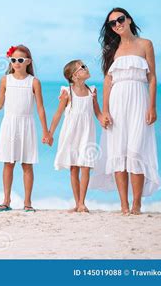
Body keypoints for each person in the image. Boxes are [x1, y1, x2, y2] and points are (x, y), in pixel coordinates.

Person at [89, 7, 161, 215]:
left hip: (139, 99)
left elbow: (152, 77)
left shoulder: (145, 44)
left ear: (129, 19)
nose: (117, 24)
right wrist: (104, 112)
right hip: (117, 102)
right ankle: (124, 205)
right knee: (118, 152)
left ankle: (137, 204)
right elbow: (107, 81)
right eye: (112, 23)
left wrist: (152, 106)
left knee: (136, 150)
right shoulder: (111, 50)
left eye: (120, 19)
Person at [0, 45, 51, 212]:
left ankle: (27, 202)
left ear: (28, 62)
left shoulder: (34, 82)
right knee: (8, 163)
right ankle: (6, 200)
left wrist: (46, 131)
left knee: (27, 164)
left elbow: (40, 108)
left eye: (20, 60)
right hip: (9, 125)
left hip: (27, 125)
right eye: (13, 60)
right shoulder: (6, 80)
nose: (16, 63)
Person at [48, 60, 104, 213]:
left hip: (87, 133)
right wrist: (49, 133)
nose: (87, 68)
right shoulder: (67, 92)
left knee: (86, 166)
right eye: (83, 67)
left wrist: (103, 120)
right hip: (71, 133)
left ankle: (82, 203)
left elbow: (97, 112)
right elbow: (58, 114)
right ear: (74, 76)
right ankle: (77, 202)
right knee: (74, 168)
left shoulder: (92, 91)